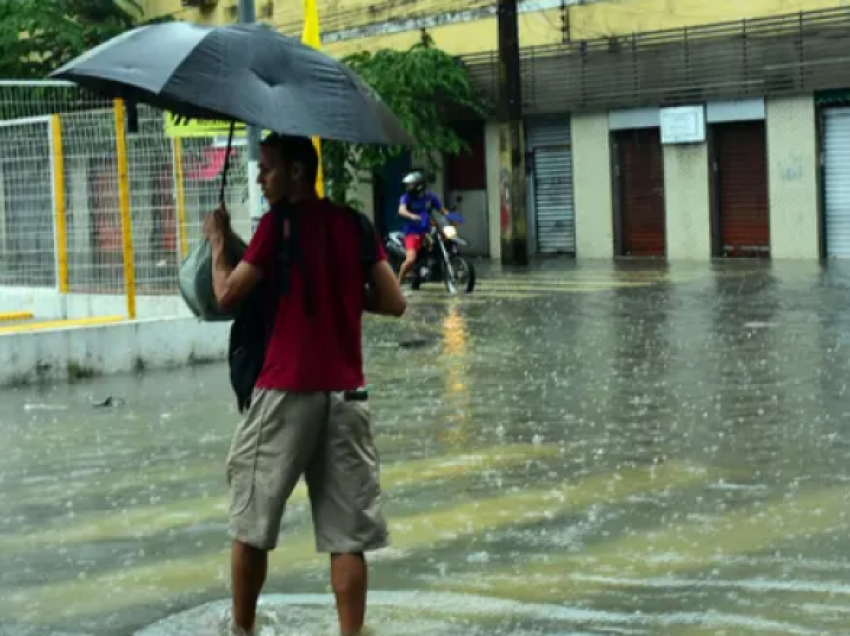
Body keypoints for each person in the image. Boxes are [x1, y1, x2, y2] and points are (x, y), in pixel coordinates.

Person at [203, 133, 407, 636]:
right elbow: (394, 301)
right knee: (347, 536)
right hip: (347, 395)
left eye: (267, 169)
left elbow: (226, 295)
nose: (259, 178)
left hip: (286, 392)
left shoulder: (277, 226)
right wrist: (339, 291)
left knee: (250, 526)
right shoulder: (355, 225)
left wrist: (215, 244)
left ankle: (242, 632)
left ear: (297, 172)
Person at [396, 171, 447, 284]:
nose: (408, 187)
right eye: (408, 185)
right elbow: (401, 210)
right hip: (412, 232)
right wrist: (412, 216)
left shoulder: (430, 197)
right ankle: (398, 282)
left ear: (419, 185)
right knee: (411, 259)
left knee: (442, 242)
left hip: (427, 231)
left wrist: (451, 216)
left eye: (411, 184)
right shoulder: (406, 197)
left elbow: (441, 210)